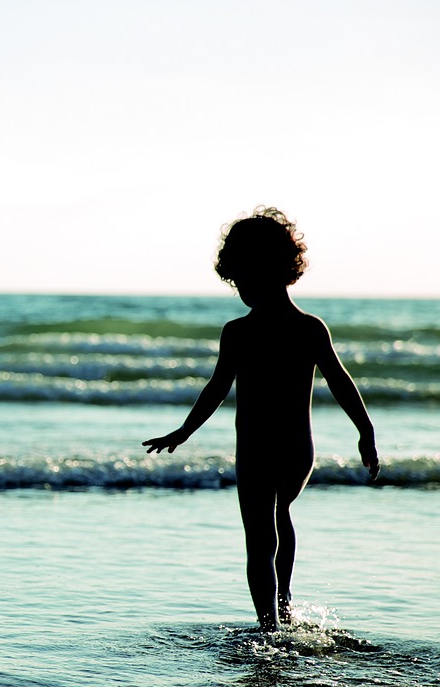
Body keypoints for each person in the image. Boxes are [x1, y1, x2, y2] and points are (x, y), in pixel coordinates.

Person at [144, 207, 378, 631]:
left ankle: (268, 626)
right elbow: (342, 383)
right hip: (296, 451)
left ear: (266, 271)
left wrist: (184, 431)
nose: (240, 289)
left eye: (243, 279)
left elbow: (216, 389)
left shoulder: (240, 332)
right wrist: (365, 431)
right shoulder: (309, 327)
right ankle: (284, 607)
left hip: (255, 450)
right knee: (280, 516)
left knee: (259, 538)